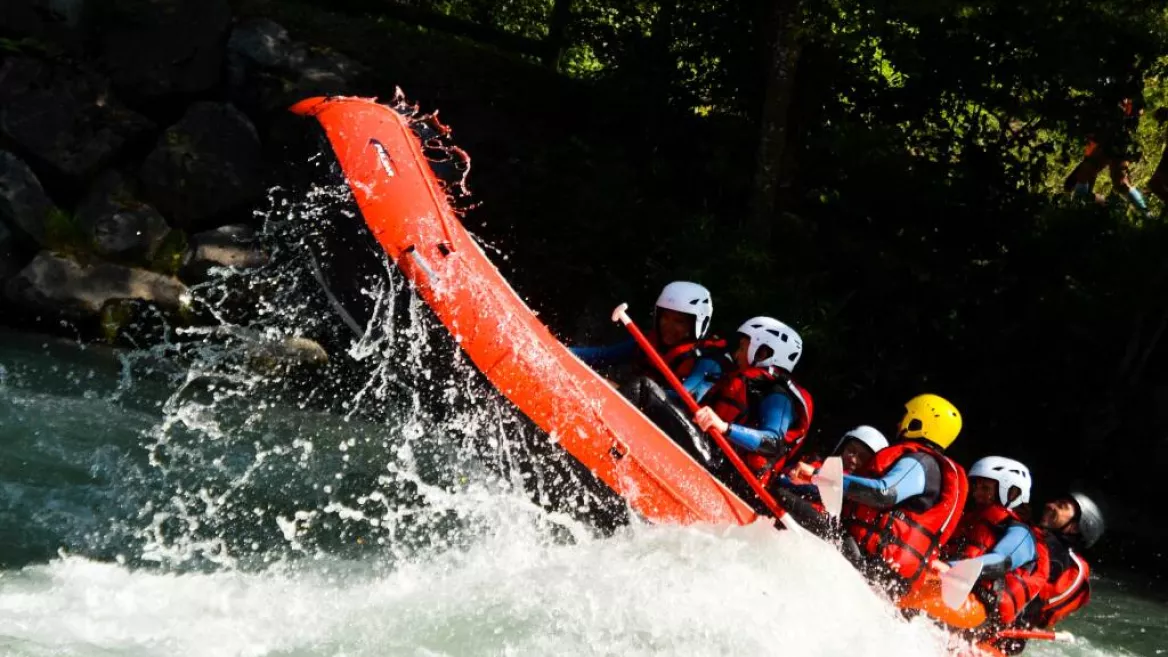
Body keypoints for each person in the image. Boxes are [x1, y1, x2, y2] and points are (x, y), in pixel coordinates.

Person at [572, 281, 729, 461]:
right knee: (634, 385)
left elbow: (685, 398)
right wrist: (555, 348)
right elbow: (601, 355)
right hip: (652, 427)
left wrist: (619, 389)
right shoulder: (649, 342)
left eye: (679, 321)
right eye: (665, 317)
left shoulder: (709, 362)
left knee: (644, 387)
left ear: (697, 324)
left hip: (695, 447)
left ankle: (600, 435)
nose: (668, 325)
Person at [833, 394, 969, 599]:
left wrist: (829, 478)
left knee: (783, 496)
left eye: (905, 416)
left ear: (920, 421)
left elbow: (883, 493)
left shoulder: (920, 462)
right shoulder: (931, 466)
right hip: (886, 571)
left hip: (870, 560)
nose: (899, 423)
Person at [690, 317, 813, 499]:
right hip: (715, 463)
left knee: (643, 389)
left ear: (763, 353)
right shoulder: (744, 382)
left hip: (736, 485)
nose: (737, 354)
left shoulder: (779, 396)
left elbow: (772, 443)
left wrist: (725, 427)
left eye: (742, 347)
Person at [941, 457, 1049, 637]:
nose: (976, 494)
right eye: (976, 487)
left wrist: (950, 568)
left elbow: (1000, 561)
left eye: (985, 488)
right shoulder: (970, 521)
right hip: (952, 591)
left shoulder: (1021, 534)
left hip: (982, 610)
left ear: (1012, 493)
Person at [994, 492, 1104, 655]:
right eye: (1055, 501)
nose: (1050, 505)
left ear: (1073, 527)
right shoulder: (1043, 543)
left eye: (1061, 506)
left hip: (997, 629)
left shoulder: (1059, 559)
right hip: (1007, 634)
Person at [775, 425, 889, 537]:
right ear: (842, 448)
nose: (853, 459)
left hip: (819, 532)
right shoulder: (817, 464)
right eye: (851, 450)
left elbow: (824, 491)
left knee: (778, 492)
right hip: (788, 519)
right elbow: (785, 477)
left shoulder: (859, 494)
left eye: (862, 458)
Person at [1065, 97, 1152, 217]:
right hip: (1111, 140)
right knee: (1087, 175)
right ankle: (1079, 212)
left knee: (1119, 183)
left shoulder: (1130, 96)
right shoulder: (1113, 96)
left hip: (1118, 140)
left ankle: (1146, 214)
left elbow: (1138, 111)